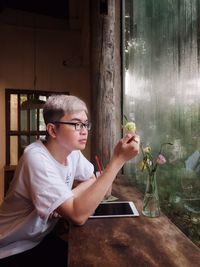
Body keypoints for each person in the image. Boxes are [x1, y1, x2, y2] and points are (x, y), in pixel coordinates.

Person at [0, 95, 140, 267]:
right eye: (76, 124)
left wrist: (71, 195)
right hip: (11, 248)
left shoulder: (71, 152)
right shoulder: (36, 158)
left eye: (86, 124)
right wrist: (118, 160)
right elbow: (77, 215)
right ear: (52, 130)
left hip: (39, 238)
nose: (84, 131)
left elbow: (105, 189)